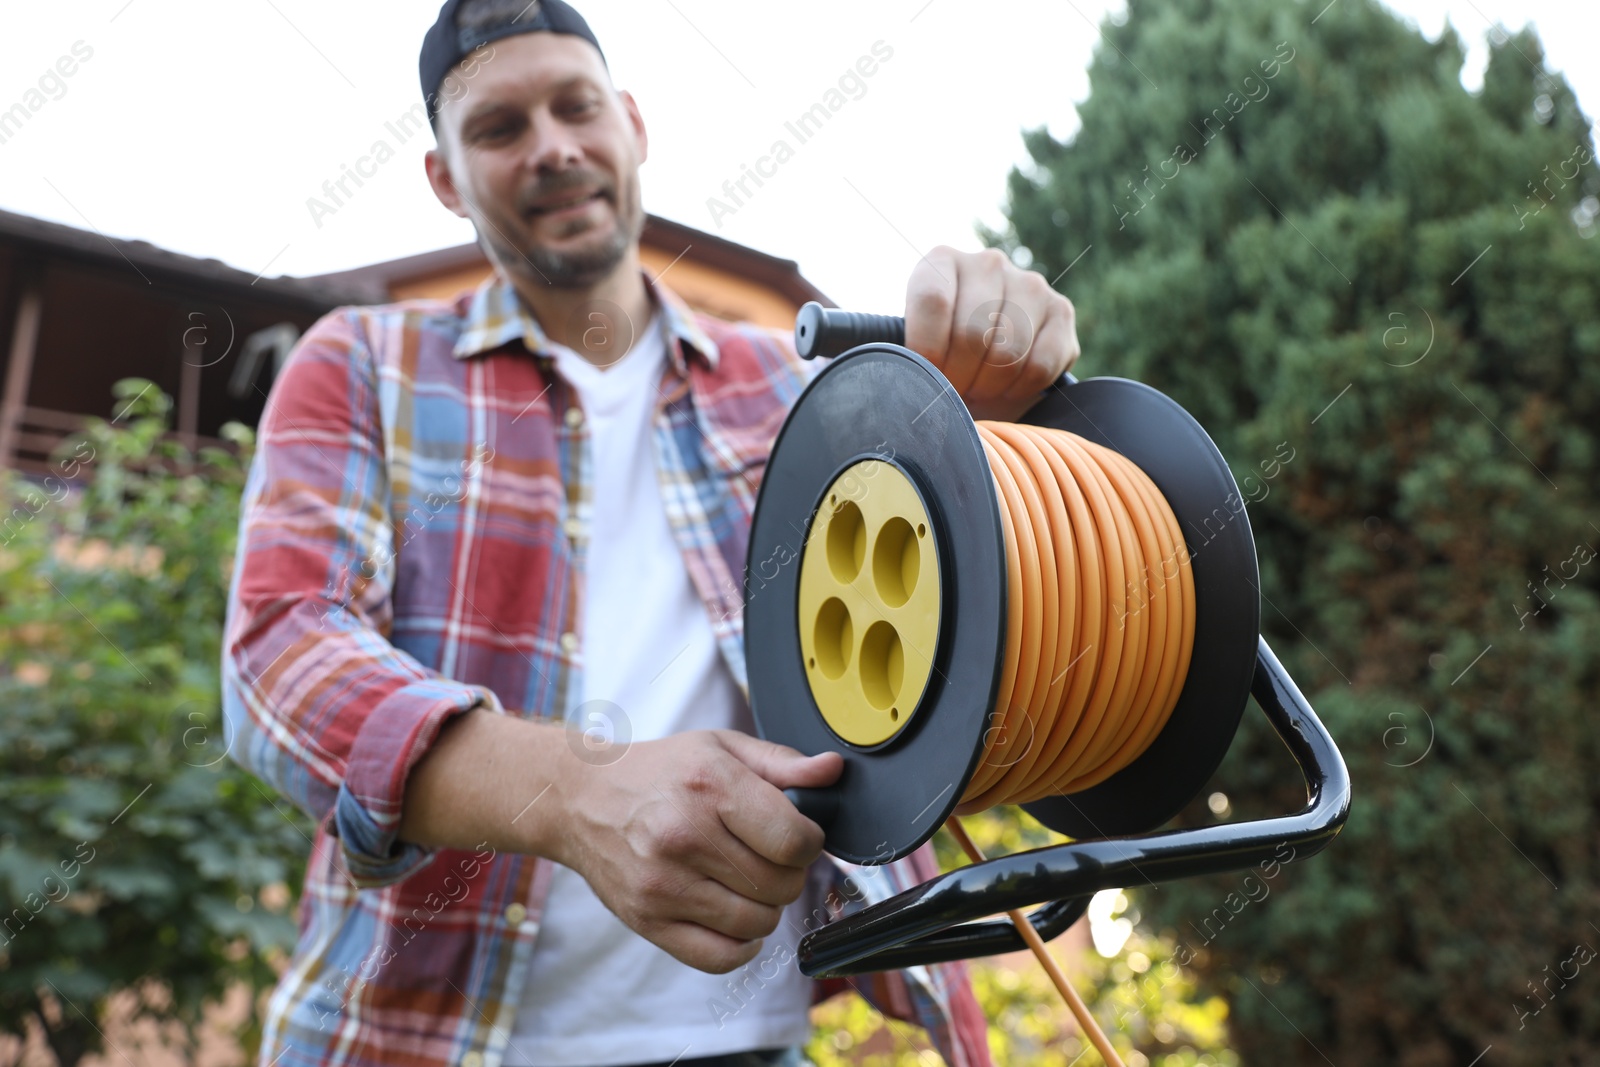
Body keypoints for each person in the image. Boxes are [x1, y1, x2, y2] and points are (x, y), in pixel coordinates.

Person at [222, 3, 1079, 1067]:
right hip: (419, 1041)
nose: (552, 146)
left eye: (576, 107)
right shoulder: (360, 361)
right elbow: (279, 648)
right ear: (444, 176)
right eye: (497, 127)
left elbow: (969, 621)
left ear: (630, 124)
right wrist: (572, 791)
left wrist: (998, 394)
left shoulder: (797, 390)